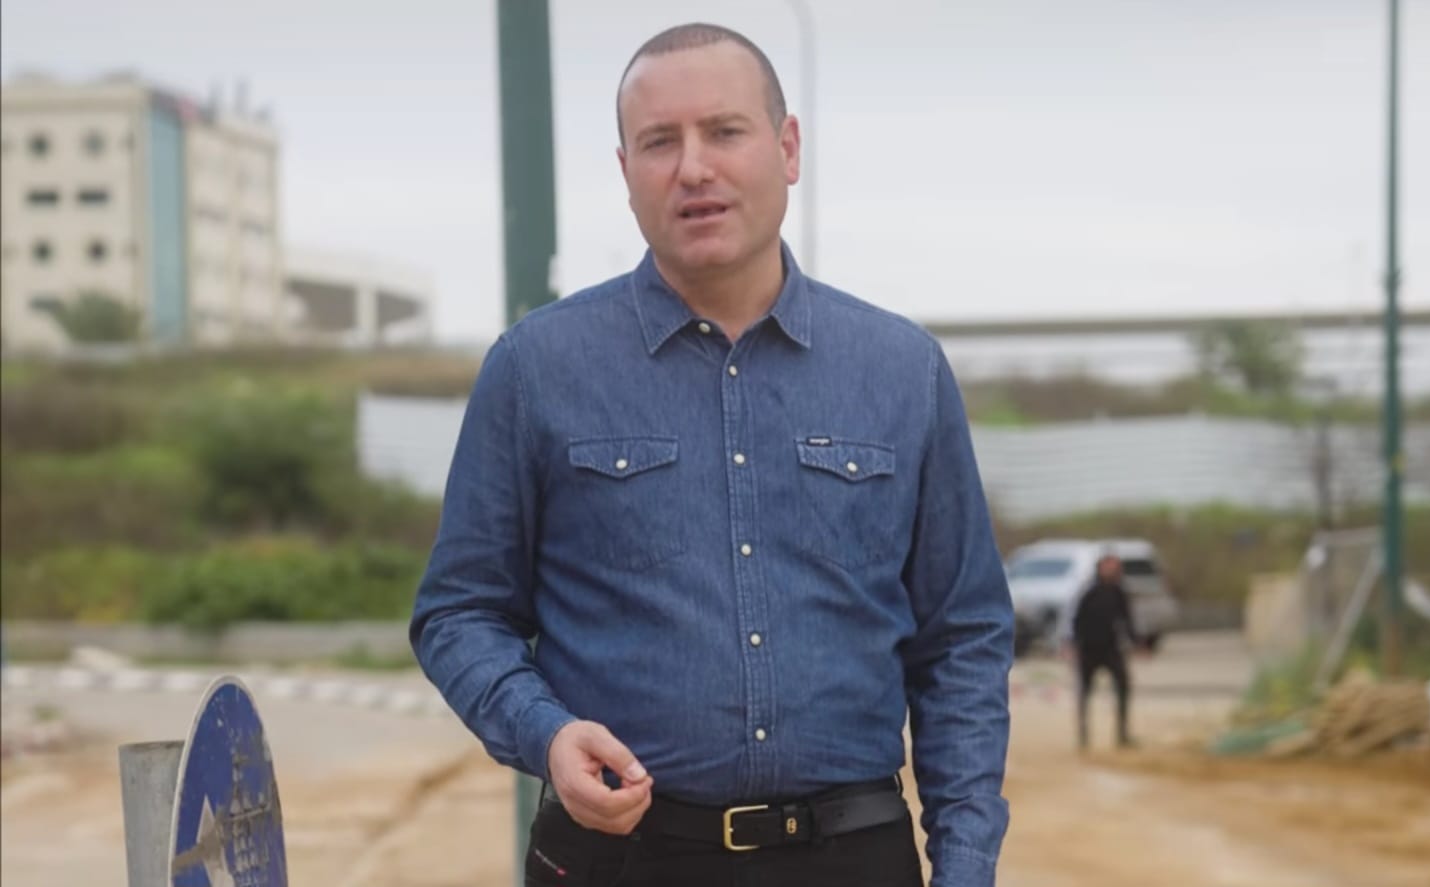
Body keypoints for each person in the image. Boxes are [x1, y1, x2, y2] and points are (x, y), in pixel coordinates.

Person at [411, 21, 1013, 887]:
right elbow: (459, 610)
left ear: (787, 147)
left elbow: (962, 639)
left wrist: (964, 866)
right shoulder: (534, 369)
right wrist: (546, 731)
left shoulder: (902, 370)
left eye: (724, 131)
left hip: (853, 856)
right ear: (626, 171)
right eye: (660, 141)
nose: (693, 167)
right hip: (622, 859)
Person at [1066, 553, 1140, 750]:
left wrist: (1136, 643)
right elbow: (1076, 620)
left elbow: (1127, 620)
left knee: (1123, 687)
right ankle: (1083, 736)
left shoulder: (1119, 592)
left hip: (1111, 648)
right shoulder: (1089, 592)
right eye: (1108, 566)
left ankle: (1122, 734)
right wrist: (1072, 645)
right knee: (1084, 692)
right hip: (1088, 649)